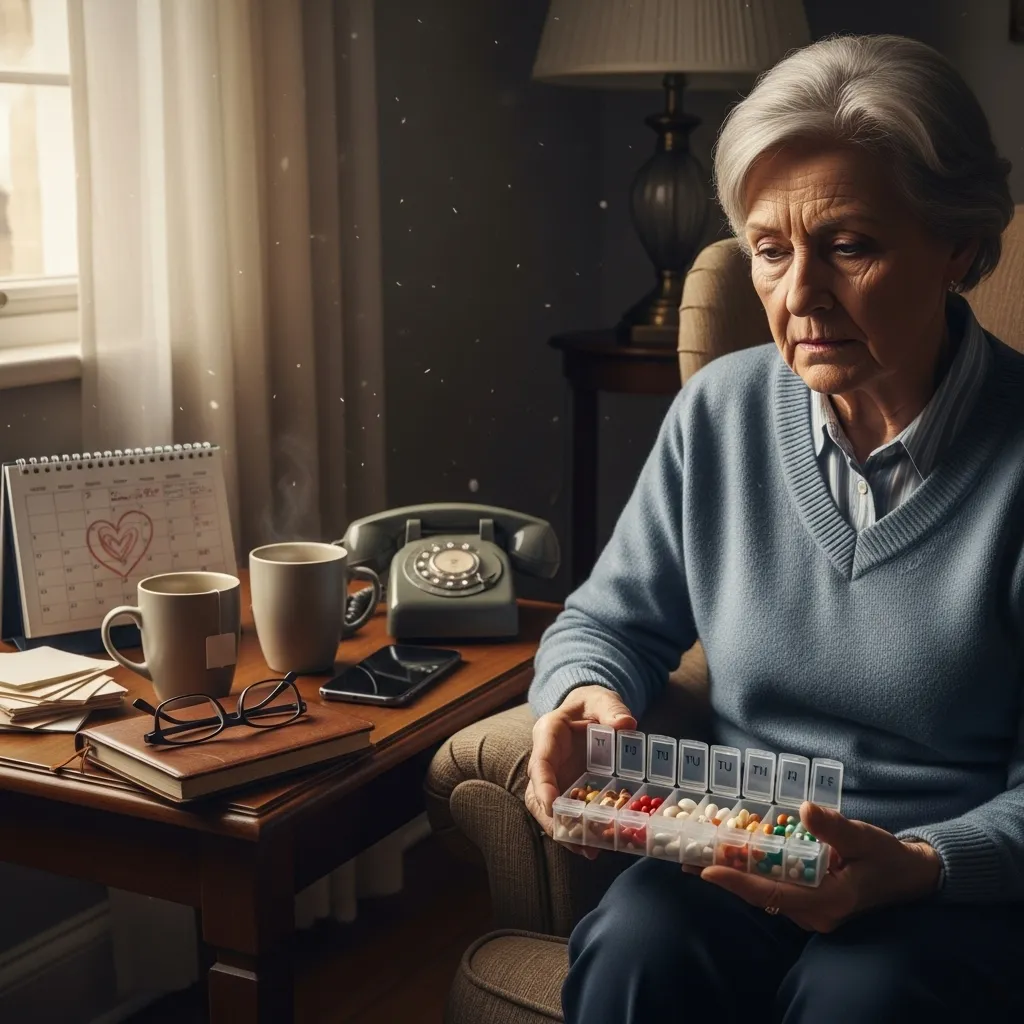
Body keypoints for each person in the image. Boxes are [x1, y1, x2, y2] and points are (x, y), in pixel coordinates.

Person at [525, 34, 1023, 1022]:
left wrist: (918, 862)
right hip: (739, 841)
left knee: (861, 998)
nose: (797, 298)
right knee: (633, 950)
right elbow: (609, 623)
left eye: (849, 247)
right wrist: (584, 695)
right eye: (769, 249)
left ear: (956, 246)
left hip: (942, 875)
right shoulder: (718, 412)